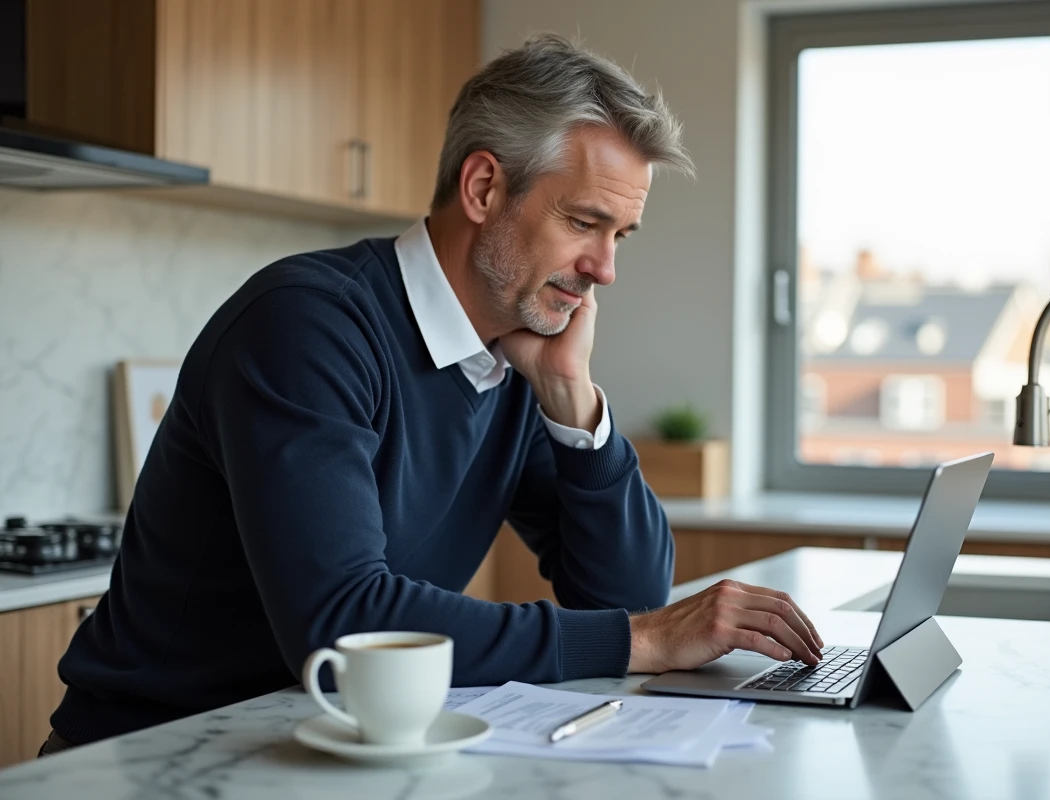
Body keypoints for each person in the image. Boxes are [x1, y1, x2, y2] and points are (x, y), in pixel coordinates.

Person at [41, 33, 821, 755]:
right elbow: (344, 626)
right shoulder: (307, 325)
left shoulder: (516, 360)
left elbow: (626, 592)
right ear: (484, 187)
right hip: (158, 758)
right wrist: (640, 642)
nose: (604, 269)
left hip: (332, 748)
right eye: (585, 222)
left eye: (620, 235)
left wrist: (572, 398)